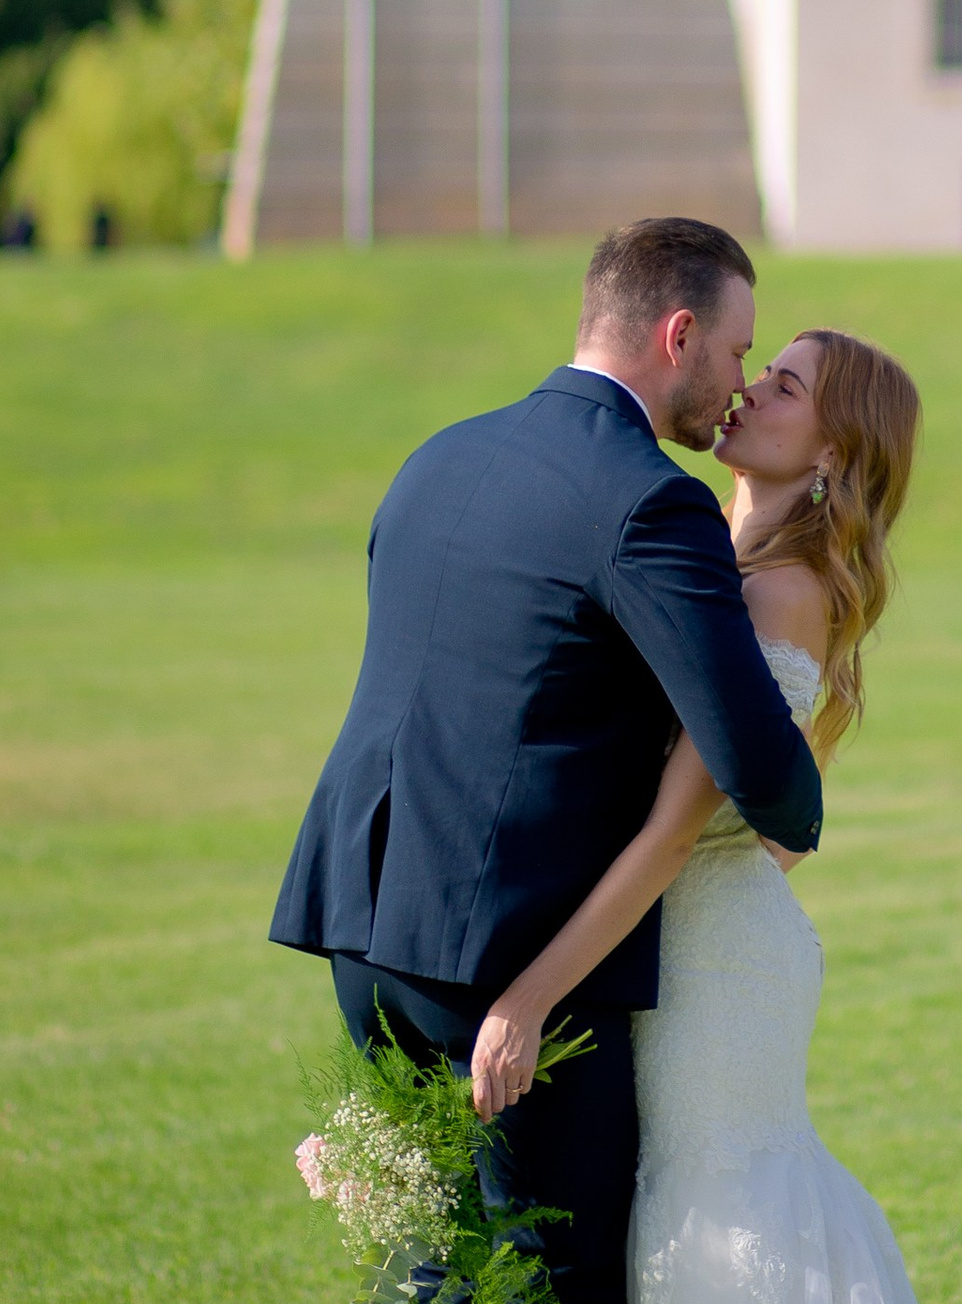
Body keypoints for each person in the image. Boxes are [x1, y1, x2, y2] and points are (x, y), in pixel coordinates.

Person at [270, 217, 824, 1302]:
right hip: (510, 963)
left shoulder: (442, 454)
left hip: (365, 928)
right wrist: (798, 801)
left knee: (427, 1269)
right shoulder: (650, 499)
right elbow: (760, 764)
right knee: (554, 1279)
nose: (739, 382)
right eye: (734, 350)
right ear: (677, 334)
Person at [470, 326, 923, 1304]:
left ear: (832, 452)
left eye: (785, 384)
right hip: (678, 934)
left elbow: (685, 825)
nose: (749, 389)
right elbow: (779, 824)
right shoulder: (701, 549)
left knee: (707, 1228)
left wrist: (529, 995)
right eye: (760, 367)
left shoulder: (783, 592)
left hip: (714, 972)